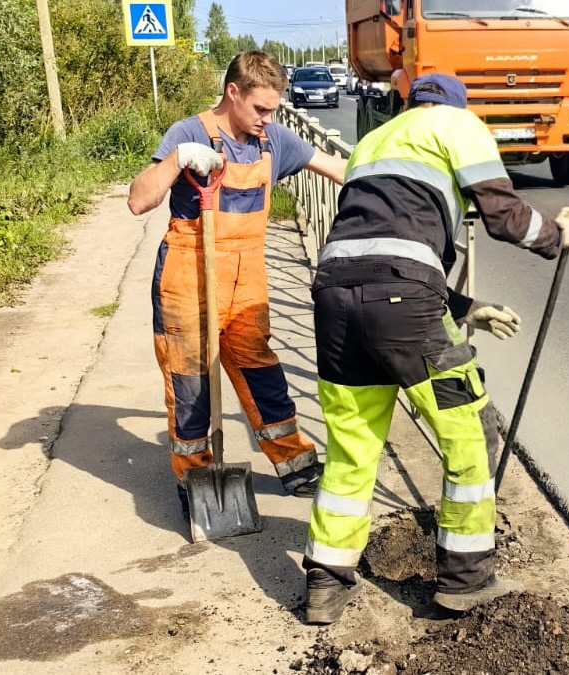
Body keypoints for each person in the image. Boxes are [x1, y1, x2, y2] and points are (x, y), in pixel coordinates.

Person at [301, 73, 569, 625]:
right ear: (457, 105)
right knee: (469, 431)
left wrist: (459, 309)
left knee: (352, 445)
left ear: (411, 103)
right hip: (401, 299)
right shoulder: (458, 125)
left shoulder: (373, 141)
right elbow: (503, 216)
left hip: (333, 297)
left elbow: (377, 244)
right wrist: (558, 236)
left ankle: (326, 584)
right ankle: (466, 579)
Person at [127, 51, 348, 516]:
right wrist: (177, 161)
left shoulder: (274, 139)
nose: (268, 119)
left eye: (273, 109)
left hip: (246, 276)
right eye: (260, 109)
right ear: (233, 92)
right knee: (190, 386)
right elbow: (139, 200)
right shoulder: (187, 133)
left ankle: (296, 465)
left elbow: (338, 169)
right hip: (188, 274)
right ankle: (197, 479)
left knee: (263, 373)